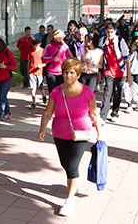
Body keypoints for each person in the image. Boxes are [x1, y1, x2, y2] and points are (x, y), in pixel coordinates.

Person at [38, 57, 102, 217]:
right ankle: (75, 180)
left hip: (81, 133)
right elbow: (47, 112)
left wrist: (99, 133)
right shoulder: (56, 91)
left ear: (78, 74)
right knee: (65, 163)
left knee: (72, 165)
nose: (68, 76)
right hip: (60, 133)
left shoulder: (87, 91)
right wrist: (42, 129)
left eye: (72, 72)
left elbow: (94, 112)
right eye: (66, 72)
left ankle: (69, 201)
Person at [99, 22, 133, 125]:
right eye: (108, 32)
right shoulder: (103, 40)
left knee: (118, 93)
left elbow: (126, 60)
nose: (109, 34)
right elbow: (101, 52)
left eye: (111, 32)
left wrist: (129, 76)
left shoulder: (120, 41)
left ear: (115, 31)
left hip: (120, 72)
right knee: (107, 93)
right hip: (108, 71)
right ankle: (103, 117)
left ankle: (115, 113)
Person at [42, 29, 73, 94]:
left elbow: (71, 57)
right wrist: (52, 59)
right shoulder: (49, 46)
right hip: (50, 72)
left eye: (62, 36)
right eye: (59, 35)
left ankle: (59, 104)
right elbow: (43, 59)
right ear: (54, 36)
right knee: (52, 91)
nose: (61, 37)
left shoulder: (64, 46)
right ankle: (51, 104)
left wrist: (67, 66)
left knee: (60, 92)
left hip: (61, 72)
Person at [27, 37, 47, 109]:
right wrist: (28, 71)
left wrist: (42, 65)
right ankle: (34, 102)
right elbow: (29, 61)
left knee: (40, 87)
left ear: (39, 44)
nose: (35, 47)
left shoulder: (43, 51)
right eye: (33, 45)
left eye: (36, 45)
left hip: (39, 72)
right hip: (32, 72)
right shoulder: (30, 52)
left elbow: (46, 62)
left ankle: (43, 95)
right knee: (33, 88)